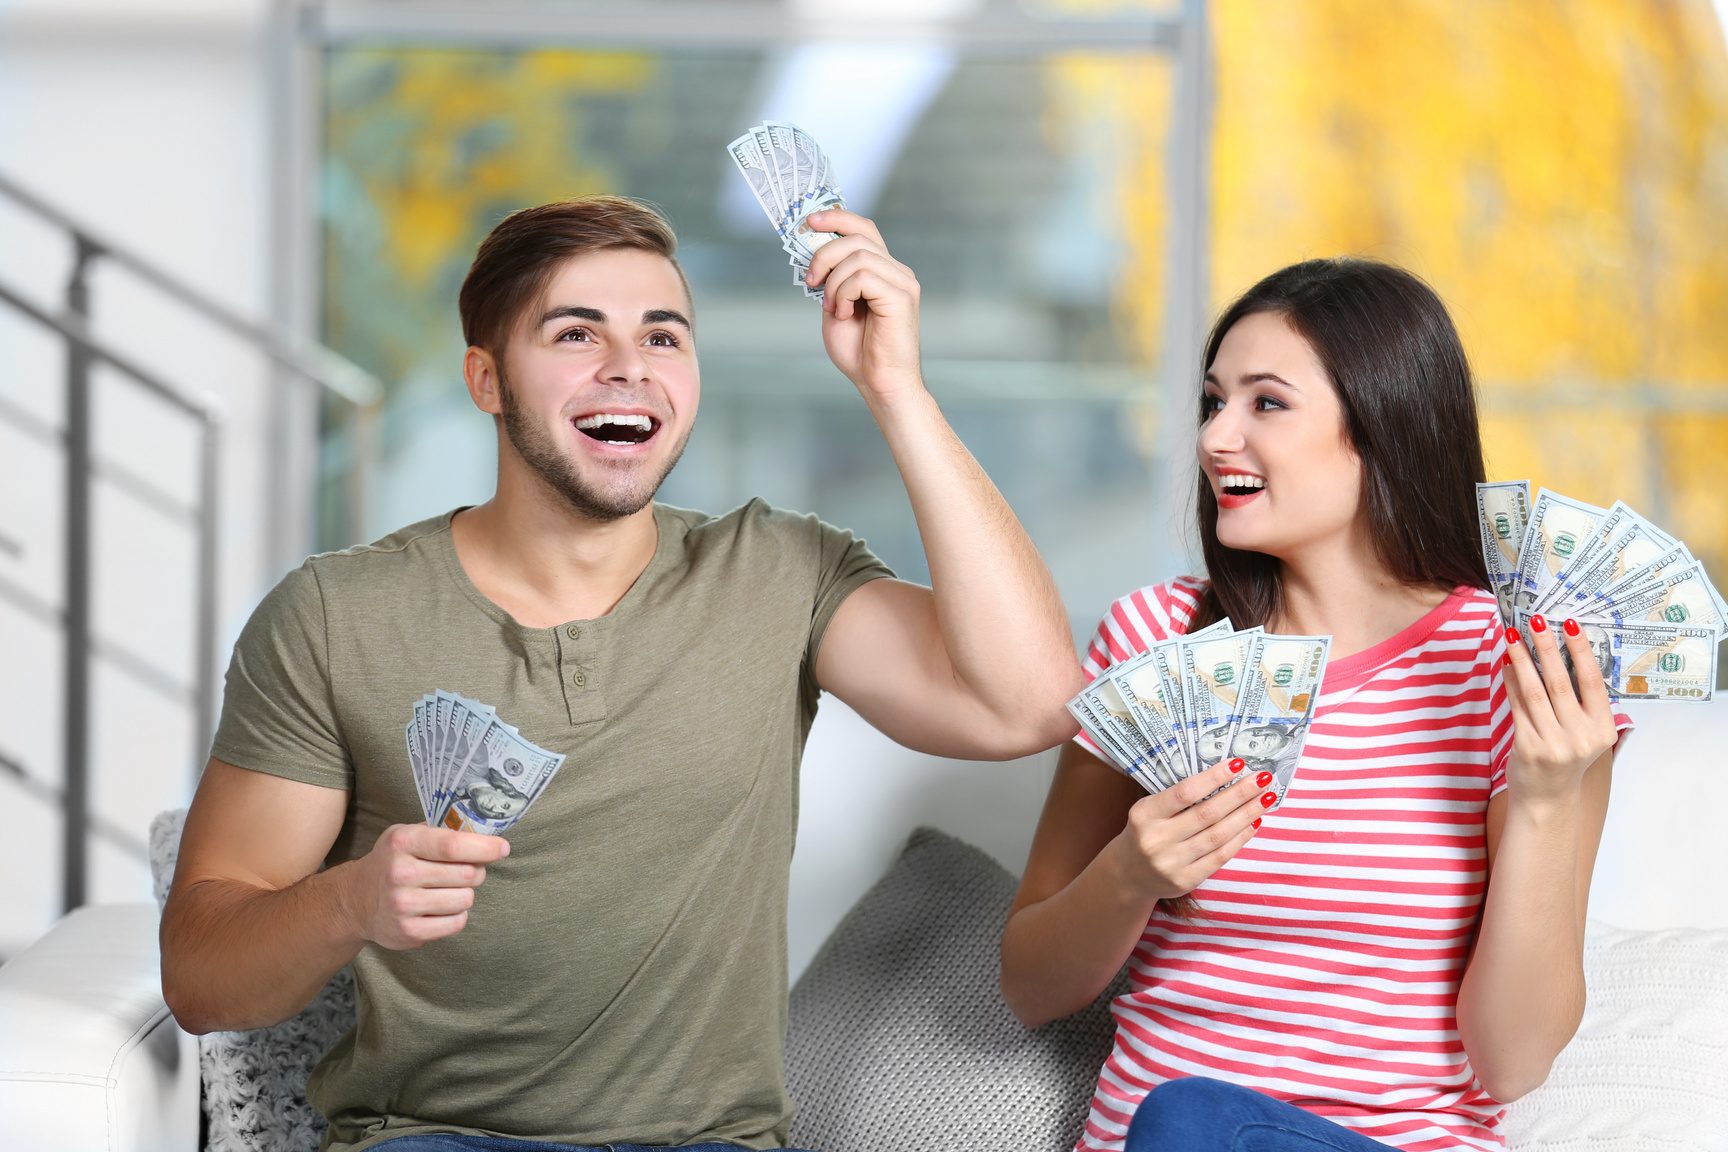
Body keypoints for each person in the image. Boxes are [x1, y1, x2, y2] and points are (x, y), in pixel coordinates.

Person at [161, 196, 1083, 1152]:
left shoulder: (777, 574)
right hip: (431, 1137)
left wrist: (899, 390)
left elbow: (1027, 702)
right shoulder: (332, 617)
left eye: (663, 336)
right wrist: (350, 900)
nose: (629, 367)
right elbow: (200, 978)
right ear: (486, 379)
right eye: (575, 333)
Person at [999, 258, 1628, 1152]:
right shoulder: (1157, 640)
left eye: (1265, 403)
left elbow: (1513, 1062)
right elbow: (1030, 986)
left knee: (1190, 1118)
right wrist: (1130, 875)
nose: (1217, 438)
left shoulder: (1518, 667)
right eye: (1213, 403)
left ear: (1381, 427)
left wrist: (1548, 800)